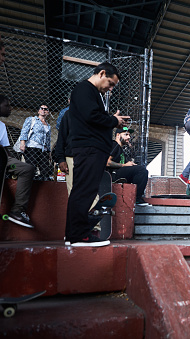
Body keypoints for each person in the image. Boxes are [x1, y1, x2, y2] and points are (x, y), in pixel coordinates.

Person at [65, 62, 129, 247]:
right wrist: (112, 119)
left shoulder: (91, 93)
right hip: (89, 148)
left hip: (91, 148)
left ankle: (73, 234)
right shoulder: (85, 89)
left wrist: (112, 121)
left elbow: (93, 117)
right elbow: (92, 116)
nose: (110, 88)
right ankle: (78, 235)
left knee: (83, 189)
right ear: (102, 73)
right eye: (110, 83)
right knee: (84, 190)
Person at [0, 95, 35, 228]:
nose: (10, 109)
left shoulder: (2, 126)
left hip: (5, 162)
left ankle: (17, 211)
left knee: (26, 168)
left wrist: (12, 163)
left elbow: (5, 151)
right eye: (7, 106)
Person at [107, 127, 149, 206]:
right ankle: (137, 198)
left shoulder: (121, 150)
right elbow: (107, 162)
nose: (129, 137)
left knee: (141, 170)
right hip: (113, 174)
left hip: (119, 173)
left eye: (129, 135)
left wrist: (130, 164)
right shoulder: (114, 145)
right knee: (141, 170)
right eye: (126, 134)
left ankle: (134, 196)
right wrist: (124, 165)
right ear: (118, 135)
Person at [19, 104, 52, 180]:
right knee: (31, 168)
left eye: (46, 109)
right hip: (32, 147)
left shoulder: (48, 125)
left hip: (44, 149)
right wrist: (22, 143)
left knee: (45, 170)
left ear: (48, 112)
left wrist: (49, 151)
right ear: (38, 111)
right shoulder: (31, 119)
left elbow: (48, 139)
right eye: (41, 108)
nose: (43, 110)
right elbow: (24, 131)